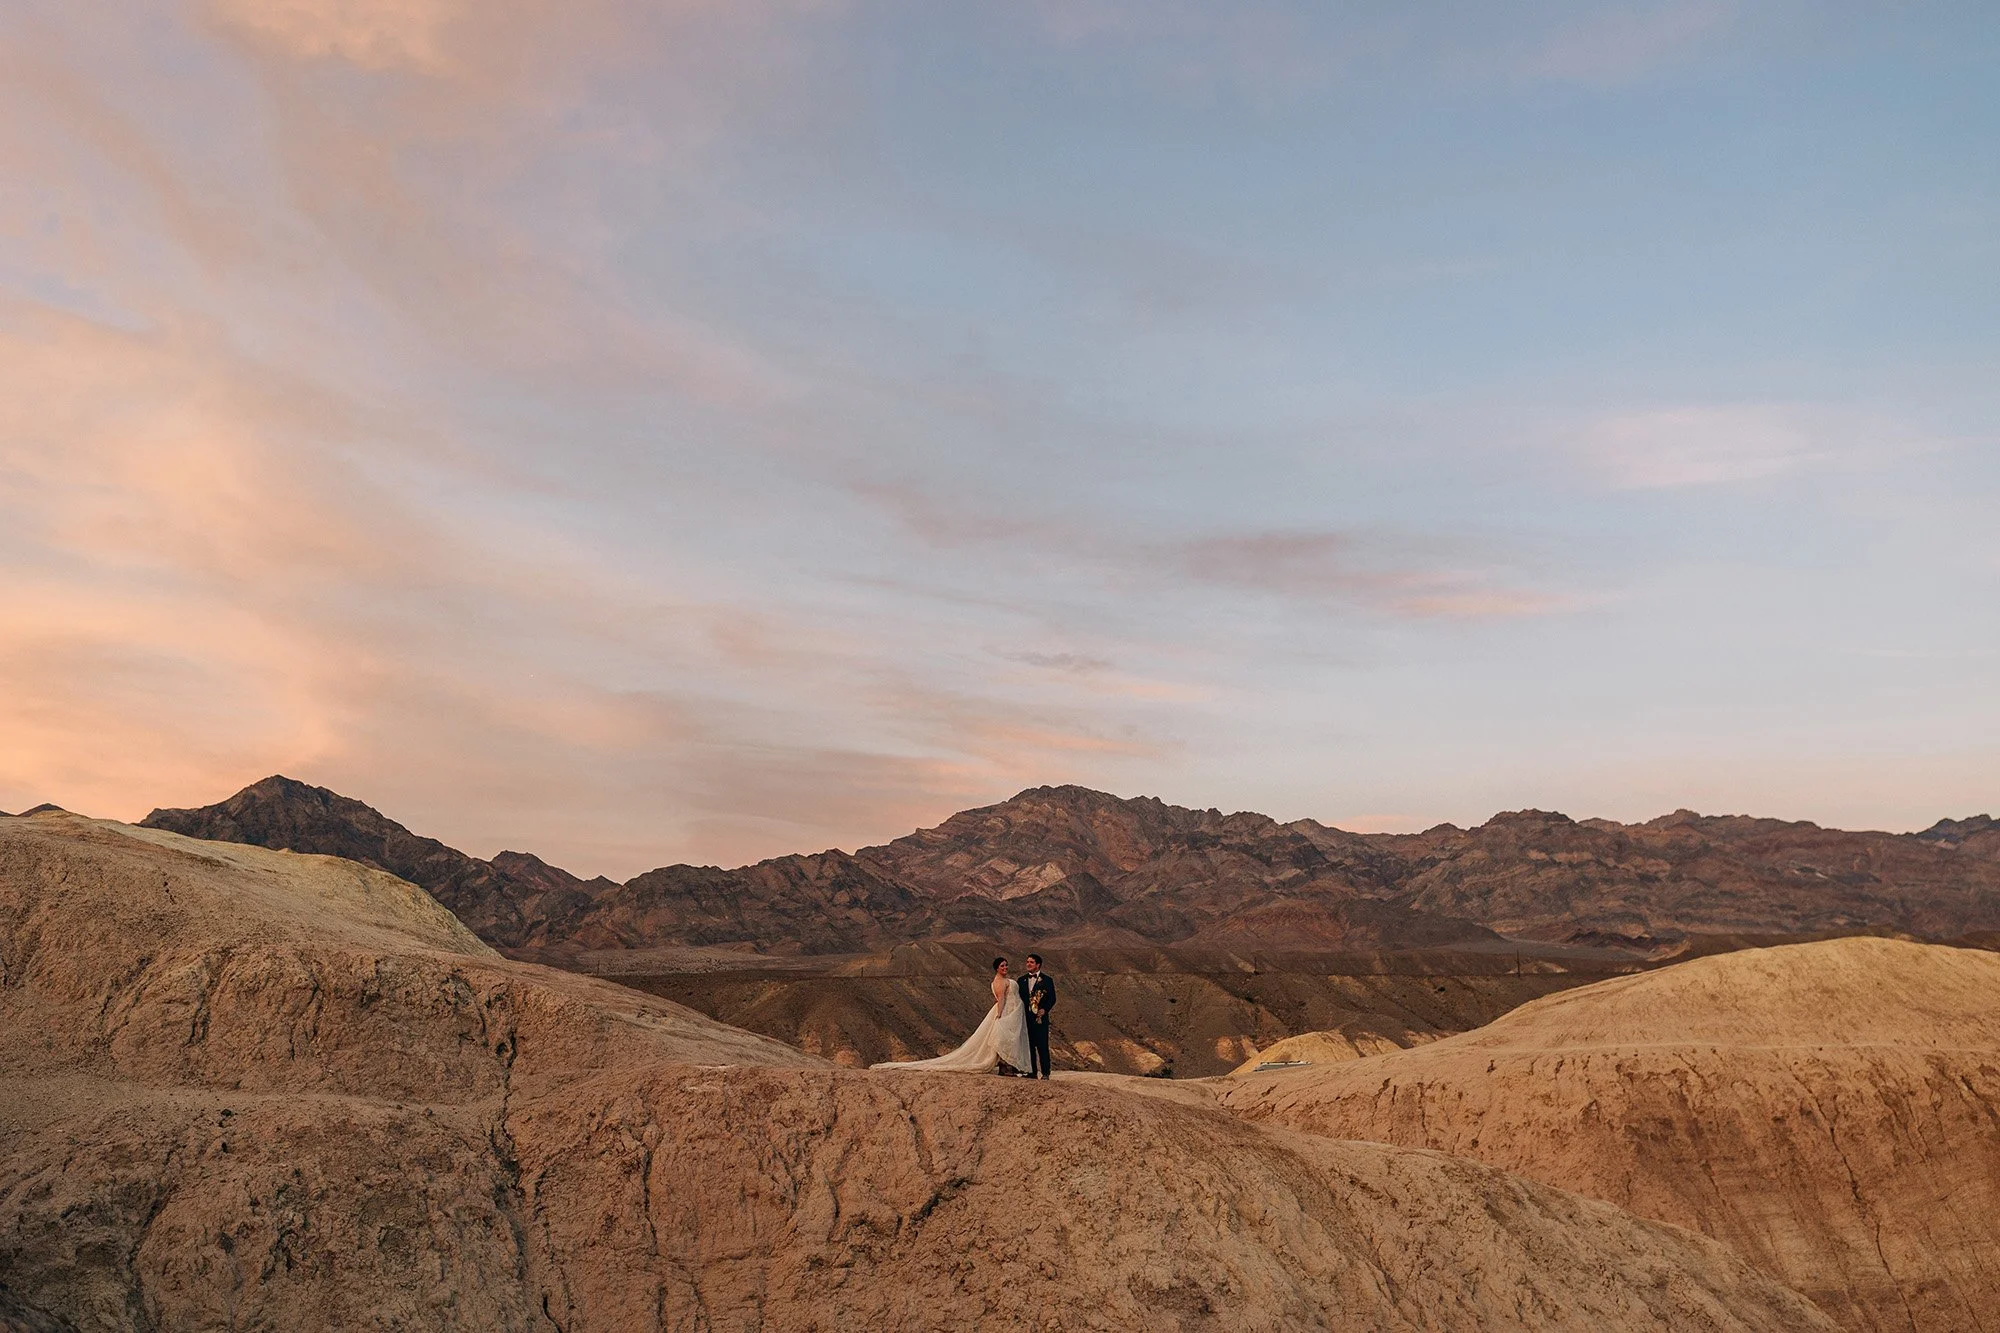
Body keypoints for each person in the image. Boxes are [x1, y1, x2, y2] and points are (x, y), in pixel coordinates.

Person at [870, 957, 1032, 1074]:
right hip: (1006, 1012)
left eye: (1006, 965)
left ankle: (1008, 1065)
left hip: (1013, 1011)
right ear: (997, 968)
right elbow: (1001, 999)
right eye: (1002, 965)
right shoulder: (998, 981)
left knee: (1009, 1039)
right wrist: (999, 1015)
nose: (1005, 967)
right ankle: (1004, 1066)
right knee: (1002, 1038)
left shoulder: (1005, 979)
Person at [1017, 953, 1056, 1079]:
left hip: (1040, 1019)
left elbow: (1052, 998)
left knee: (1042, 1046)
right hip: (1026, 1019)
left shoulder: (1047, 980)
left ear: (1038, 965)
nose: (1028, 964)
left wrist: (1045, 1009)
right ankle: (1031, 1071)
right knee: (1029, 1046)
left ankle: (1045, 1073)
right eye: (1027, 961)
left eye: (1031, 962)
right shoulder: (1021, 980)